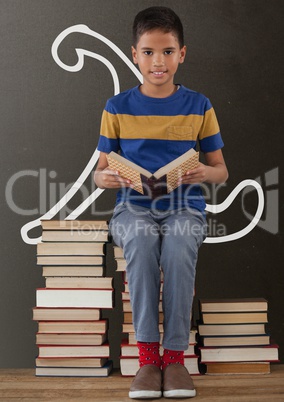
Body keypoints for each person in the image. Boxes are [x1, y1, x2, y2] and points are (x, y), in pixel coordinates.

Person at [94, 6, 228, 399]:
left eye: (168, 52)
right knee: (140, 241)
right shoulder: (116, 107)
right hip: (132, 208)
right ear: (134, 53)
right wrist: (107, 177)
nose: (159, 61)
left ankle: (175, 359)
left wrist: (204, 172)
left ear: (182, 54)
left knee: (180, 248)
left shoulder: (200, 104)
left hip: (184, 205)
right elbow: (100, 173)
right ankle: (148, 359)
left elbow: (221, 170)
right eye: (149, 52)